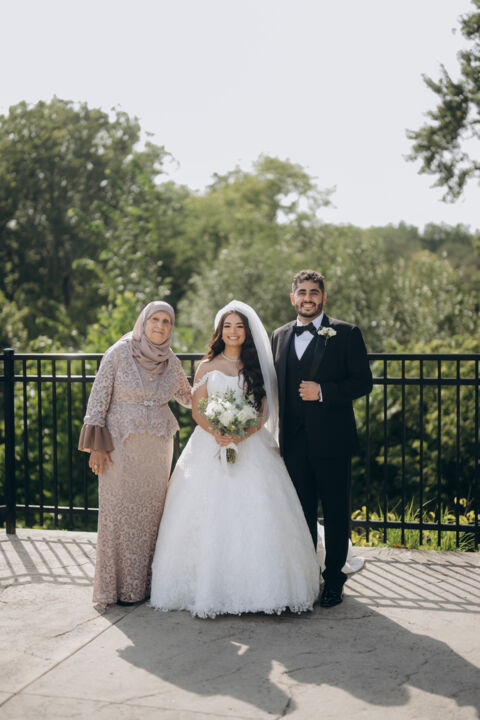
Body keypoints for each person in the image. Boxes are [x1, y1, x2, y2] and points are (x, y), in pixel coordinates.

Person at [149, 300, 320, 618]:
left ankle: (264, 588)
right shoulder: (206, 366)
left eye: (239, 326)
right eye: (227, 326)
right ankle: (206, 587)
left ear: (247, 332)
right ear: (220, 331)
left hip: (251, 443)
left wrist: (241, 434)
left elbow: (262, 411)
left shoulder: (256, 367)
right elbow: (198, 409)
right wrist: (218, 433)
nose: (233, 331)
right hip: (210, 443)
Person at [78, 301, 192, 607]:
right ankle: (116, 589)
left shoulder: (171, 360)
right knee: (118, 515)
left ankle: (144, 587)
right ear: (143, 321)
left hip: (157, 449)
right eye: (155, 319)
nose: (160, 326)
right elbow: (98, 399)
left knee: (152, 516)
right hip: (120, 446)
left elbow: (188, 397)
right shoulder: (118, 352)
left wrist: (222, 395)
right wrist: (97, 446)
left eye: (166, 321)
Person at [271, 270, 373, 608]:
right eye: (302, 292)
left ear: (323, 297)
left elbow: (363, 382)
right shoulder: (279, 335)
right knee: (300, 513)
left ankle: (334, 581)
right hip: (293, 442)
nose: (308, 298)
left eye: (314, 292)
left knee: (335, 511)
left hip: (333, 441)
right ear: (293, 298)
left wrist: (324, 391)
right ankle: (306, 576)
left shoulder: (346, 333)